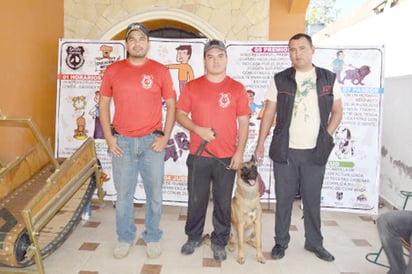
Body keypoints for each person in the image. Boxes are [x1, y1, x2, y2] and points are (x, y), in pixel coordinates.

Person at [254, 33, 343, 262]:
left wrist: (326, 136)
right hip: (285, 150)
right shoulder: (280, 79)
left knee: (312, 200)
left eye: (302, 48)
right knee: (283, 199)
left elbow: (338, 111)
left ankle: (314, 242)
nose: (297, 53)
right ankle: (280, 242)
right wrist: (260, 142)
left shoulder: (327, 78)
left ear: (312, 49)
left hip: (316, 151)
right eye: (292, 49)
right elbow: (269, 112)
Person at [98, 22, 176, 259]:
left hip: (152, 142)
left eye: (141, 39)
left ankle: (152, 236)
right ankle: (125, 237)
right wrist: (109, 138)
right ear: (126, 44)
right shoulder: (113, 71)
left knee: (155, 194)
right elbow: (103, 104)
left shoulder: (160, 71)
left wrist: (165, 138)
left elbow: (172, 106)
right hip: (121, 142)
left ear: (148, 43)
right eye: (132, 39)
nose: (137, 43)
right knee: (123, 195)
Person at [176, 39, 250, 261]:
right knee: (196, 199)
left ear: (226, 59)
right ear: (204, 60)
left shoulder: (237, 89)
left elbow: (244, 123)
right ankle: (193, 237)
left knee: (223, 201)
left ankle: (219, 240)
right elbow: (180, 115)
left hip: (227, 156)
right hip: (198, 155)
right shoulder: (192, 87)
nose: (215, 61)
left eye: (220, 56)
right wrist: (197, 128)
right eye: (211, 56)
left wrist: (239, 152)